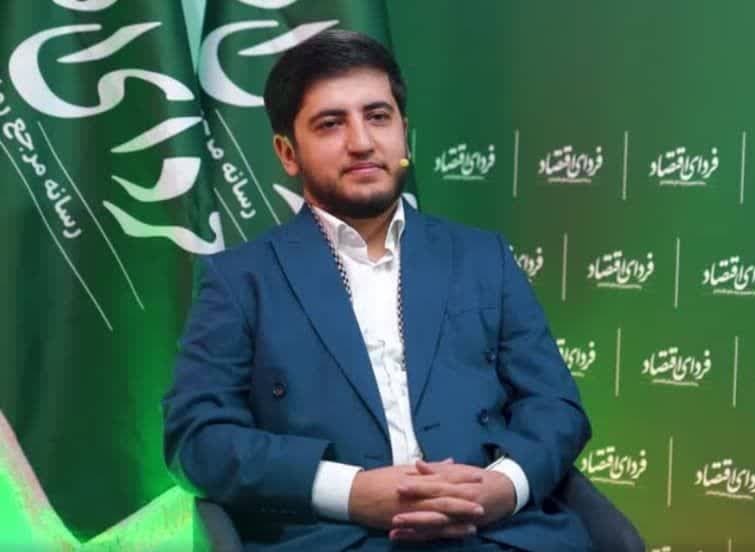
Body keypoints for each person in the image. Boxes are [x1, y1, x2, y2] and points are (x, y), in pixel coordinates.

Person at [163, 29, 592, 552]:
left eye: (378, 116)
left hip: (496, 534)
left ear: (403, 132)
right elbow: (197, 438)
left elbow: (556, 406)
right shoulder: (240, 281)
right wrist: (351, 492)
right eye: (331, 123)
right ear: (287, 153)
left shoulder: (483, 257)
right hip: (335, 539)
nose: (362, 141)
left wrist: (503, 487)